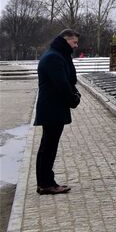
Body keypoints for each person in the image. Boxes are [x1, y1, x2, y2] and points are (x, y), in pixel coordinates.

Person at [33, 28, 82, 195]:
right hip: (52, 109)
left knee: (48, 146)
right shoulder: (54, 57)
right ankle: (46, 184)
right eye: (74, 42)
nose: (76, 46)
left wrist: (73, 94)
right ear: (65, 40)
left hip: (53, 108)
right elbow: (62, 84)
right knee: (48, 147)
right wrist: (73, 99)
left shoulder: (57, 55)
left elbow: (67, 81)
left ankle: (45, 182)